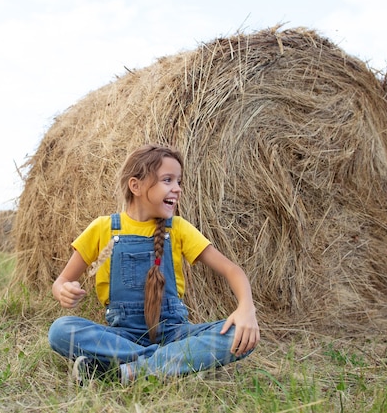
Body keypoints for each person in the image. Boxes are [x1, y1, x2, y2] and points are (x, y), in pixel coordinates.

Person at [48, 144, 260, 385]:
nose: (177, 189)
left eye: (179, 181)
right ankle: (165, 364)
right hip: (123, 335)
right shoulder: (103, 228)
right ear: (135, 186)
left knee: (238, 335)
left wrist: (246, 308)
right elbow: (62, 281)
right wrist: (63, 290)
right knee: (61, 330)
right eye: (167, 180)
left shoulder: (178, 228)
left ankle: (122, 369)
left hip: (175, 333)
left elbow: (232, 270)